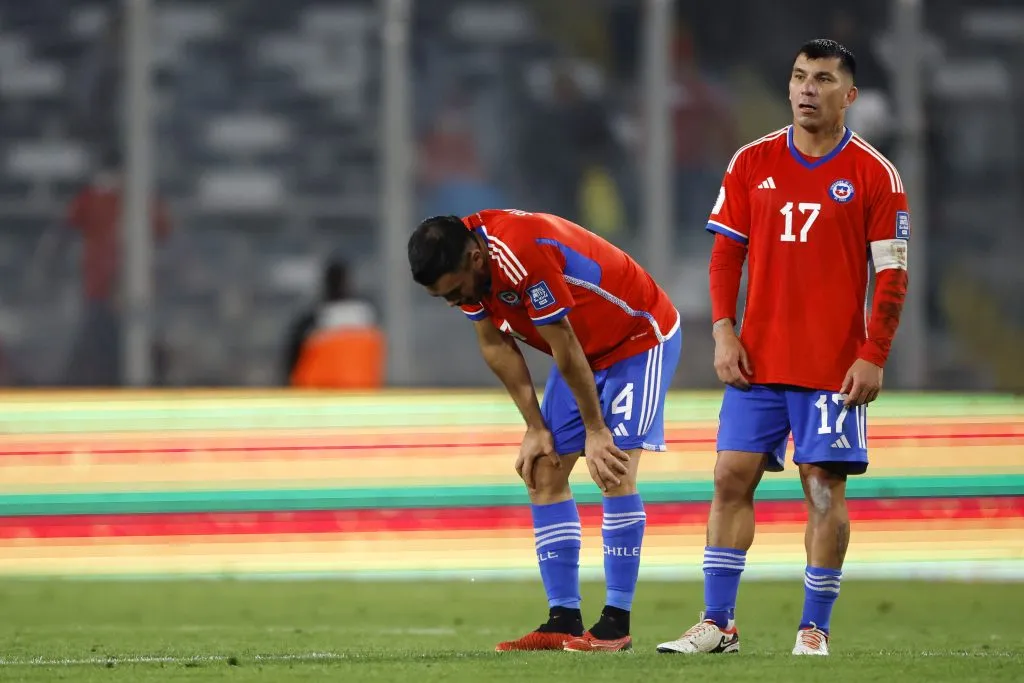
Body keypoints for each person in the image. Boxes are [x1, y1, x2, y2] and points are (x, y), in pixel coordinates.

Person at [656, 39, 910, 657]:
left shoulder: (875, 175)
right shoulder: (751, 161)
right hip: (758, 362)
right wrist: (722, 328)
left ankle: (813, 627)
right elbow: (726, 254)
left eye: (822, 80)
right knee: (729, 477)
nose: (806, 89)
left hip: (833, 368)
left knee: (822, 487)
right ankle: (718, 624)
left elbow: (892, 274)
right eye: (798, 76)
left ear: (848, 96)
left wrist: (873, 353)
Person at [408, 209, 681, 652]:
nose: (457, 302)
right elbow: (495, 344)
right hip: (582, 352)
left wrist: (596, 430)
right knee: (543, 469)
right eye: (446, 298)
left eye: (456, 292)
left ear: (476, 260)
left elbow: (564, 343)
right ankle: (564, 620)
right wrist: (534, 426)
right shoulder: (468, 265)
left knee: (612, 469)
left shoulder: (519, 253)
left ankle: (616, 624)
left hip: (637, 337)